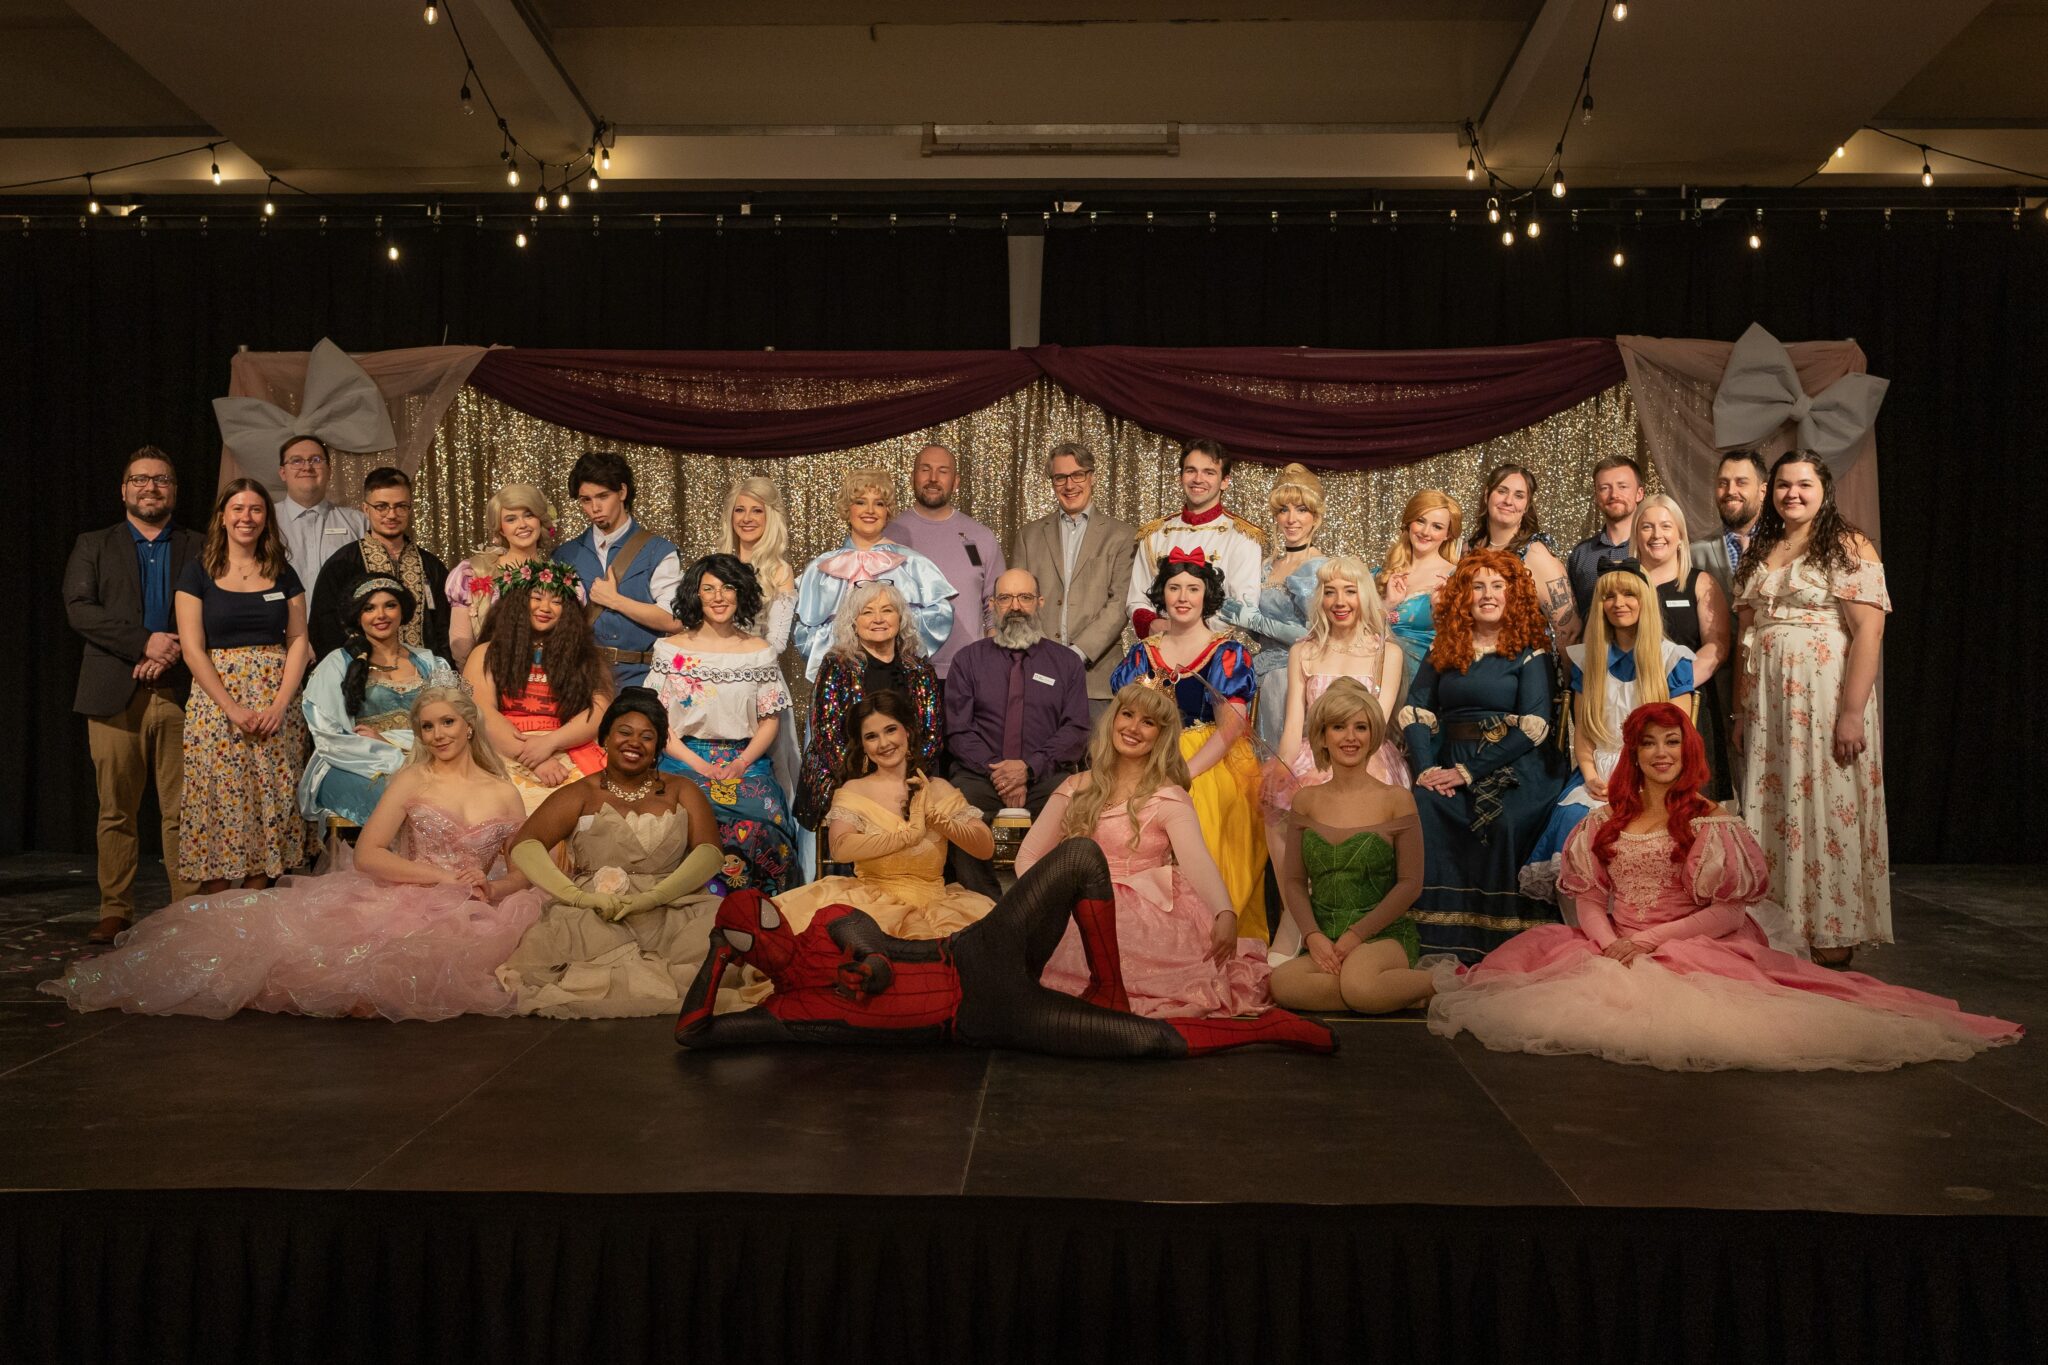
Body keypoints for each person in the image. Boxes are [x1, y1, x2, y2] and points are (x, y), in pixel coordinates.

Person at [1428, 705, 2020, 1070]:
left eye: (1671, 742)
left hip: (1690, 943)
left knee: (1717, 1025)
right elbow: (1586, 895)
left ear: (1687, 749)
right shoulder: (1604, 819)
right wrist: (1610, 943)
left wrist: (1653, 940)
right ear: (1632, 753)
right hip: (1614, 943)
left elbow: (1726, 914)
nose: (1661, 753)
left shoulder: (1712, 819)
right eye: (1649, 743)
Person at [42, 684, 546, 1021]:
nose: (438, 736)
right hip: (411, 894)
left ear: (469, 725)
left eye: (446, 724)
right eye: (428, 728)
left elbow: (527, 864)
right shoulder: (413, 778)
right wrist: (441, 882)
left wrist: (494, 886)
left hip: (475, 907)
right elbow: (369, 854)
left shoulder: (503, 792)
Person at [678, 842, 1336, 1058]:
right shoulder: (784, 1014)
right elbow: (695, 1034)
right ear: (743, 954)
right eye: (746, 938)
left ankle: (1110, 984)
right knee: (1144, 1045)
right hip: (984, 1020)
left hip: (971, 955)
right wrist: (715, 957)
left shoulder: (828, 923)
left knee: (1079, 855)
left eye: (764, 915)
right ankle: (1263, 1028)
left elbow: (875, 948)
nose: (767, 932)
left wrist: (869, 972)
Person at [1019, 678, 1271, 1018]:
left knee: (1165, 990)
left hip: (1153, 913)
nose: (1134, 728)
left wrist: (1224, 912)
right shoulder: (1075, 787)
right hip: (1081, 909)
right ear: (1113, 719)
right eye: (1128, 714)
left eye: (1148, 722)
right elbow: (1028, 857)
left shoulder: (1168, 797)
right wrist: (1046, 903)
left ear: (1161, 736)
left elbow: (1197, 862)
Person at [1734, 452, 1891, 968]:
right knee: (1774, 806)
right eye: (1782, 485)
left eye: (1803, 484)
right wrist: (1740, 708)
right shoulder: (1763, 547)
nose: (1791, 494)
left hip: (1823, 698)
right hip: (1769, 705)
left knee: (1825, 805)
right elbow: (1745, 634)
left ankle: (1831, 930)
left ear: (1824, 488)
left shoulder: (1847, 544)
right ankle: (1778, 926)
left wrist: (1851, 713)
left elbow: (1869, 630)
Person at [493, 689, 731, 1019]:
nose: (635, 743)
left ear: (658, 747)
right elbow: (524, 845)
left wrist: (654, 896)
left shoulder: (681, 789)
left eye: (647, 737)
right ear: (605, 738)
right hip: (597, 913)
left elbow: (710, 853)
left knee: (717, 958)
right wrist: (575, 897)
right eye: (624, 732)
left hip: (673, 910)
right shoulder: (580, 793)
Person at [63, 447, 205, 943]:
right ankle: (115, 909)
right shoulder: (93, 544)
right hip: (111, 692)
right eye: (140, 480)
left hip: (181, 692)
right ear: (123, 490)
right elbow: (80, 609)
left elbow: (214, 613)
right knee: (115, 809)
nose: (150, 487)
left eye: (161, 480)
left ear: (174, 490)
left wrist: (169, 652)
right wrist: (143, 642)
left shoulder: (201, 546)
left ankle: (187, 906)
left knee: (183, 808)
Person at [1397, 548, 1562, 962]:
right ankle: (1435, 941)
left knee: (1506, 820)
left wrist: (1468, 772)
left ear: (1514, 594)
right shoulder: (1445, 647)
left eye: (1497, 586)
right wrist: (1426, 768)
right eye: (1477, 586)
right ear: (1464, 595)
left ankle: (1501, 945)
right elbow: (1416, 709)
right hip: (1448, 758)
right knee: (1424, 806)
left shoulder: (1530, 650)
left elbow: (1534, 726)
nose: (1488, 594)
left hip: (1514, 765)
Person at [1111, 551, 1266, 939]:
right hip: (1148, 757)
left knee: (1208, 840)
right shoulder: (1142, 654)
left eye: (1193, 589)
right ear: (1161, 594)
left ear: (1206, 596)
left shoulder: (1226, 652)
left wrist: (1183, 774)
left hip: (1209, 763)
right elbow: (1126, 721)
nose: (1182, 596)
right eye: (1174, 587)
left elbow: (1231, 729)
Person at [175, 477, 315, 892]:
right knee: (219, 795)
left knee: (272, 792)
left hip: (277, 701)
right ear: (223, 516)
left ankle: (259, 888)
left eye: (256, 509)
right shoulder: (197, 571)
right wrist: (233, 708)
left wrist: (279, 704)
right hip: (217, 703)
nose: (246, 517)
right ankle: (216, 895)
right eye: (238, 509)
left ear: (266, 519)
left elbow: (298, 639)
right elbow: (192, 649)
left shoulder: (281, 571)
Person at [773, 691, 998, 940]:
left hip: (936, 909)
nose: (883, 743)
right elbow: (841, 847)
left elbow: (984, 846)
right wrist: (908, 837)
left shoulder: (938, 788)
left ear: (908, 731)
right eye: (871, 736)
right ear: (863, 745)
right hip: (869, 905)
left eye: (891, 730)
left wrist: (936, 818)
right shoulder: (854, 789)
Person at [1268, 681, 1435, 1015]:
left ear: (1373, 735)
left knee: (1359, 985)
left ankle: (1438, 984)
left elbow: (1410, 885)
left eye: (1361, 727)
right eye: (1339, 726)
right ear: (1323, 735)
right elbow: (1294, 882)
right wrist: (1312, 936)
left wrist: (1356, 936)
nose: (1350, 737)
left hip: (1383, 934)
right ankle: (1384, 994)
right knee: (1281, 983)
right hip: (1325, 934)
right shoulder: (1306, 800)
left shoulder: (1396, 800)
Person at [647, 554, 797, 896]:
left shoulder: (759, 652)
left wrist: (741, 763)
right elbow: (659, 725)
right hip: (683, 758)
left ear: (740, 593)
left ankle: (763, 914)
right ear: (695, 595)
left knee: (765, 820)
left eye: (727, 587)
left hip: (747, 761)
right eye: (709, 588)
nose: (718, 597)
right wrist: (699, 765)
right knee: (683, 817)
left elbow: (769, 722)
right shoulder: (670, 651)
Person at [1529, 561, 1696, 863]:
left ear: (1644, 599)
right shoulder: (1587, 661)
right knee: (1574, 821)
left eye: (1629, 595)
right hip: (1600, 774)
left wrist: (1647, 782)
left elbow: (1678, 742)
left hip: (1654, 776)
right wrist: (1591, 777)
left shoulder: (1671, 660)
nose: (1619, 604)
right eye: (1609, 596)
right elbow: (1584, 734)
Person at [942, 568, 1091, 899]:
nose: (1016, 607)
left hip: (1046, 775)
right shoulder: (967, 660)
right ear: (993, 604)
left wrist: (1028, 769)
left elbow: (1076, 729)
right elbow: (959, 731)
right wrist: (1000, 772)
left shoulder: (1066, 663)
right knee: (957, 808)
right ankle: (984, 906)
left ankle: (1042, 903)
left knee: (1073, 804)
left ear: (1040, 603)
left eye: (1024, 597)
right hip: (981, 776)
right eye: (1006, 598)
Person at [461, 558, 611, 812]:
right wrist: (532, 758)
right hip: (505, 747)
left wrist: (550, 744)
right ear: (519, 603)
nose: (546, 608)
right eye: (537, 598)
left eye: (556, 602)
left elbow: (598, 711)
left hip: (565, 744)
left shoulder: (583, 656)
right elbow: (481, 711)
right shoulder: (486, 653)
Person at [794, 581, 944, 831]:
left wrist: (903, 776)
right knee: (861, 807)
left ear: (900, 618)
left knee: (926, 806)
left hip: (906, 774)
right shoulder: (837, 665)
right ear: (854, 621)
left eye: (887, 610)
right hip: (843, 773)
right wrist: (864, 779)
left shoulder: (921, 670)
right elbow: (827, 733)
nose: (878, 619)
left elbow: (931, 735)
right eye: (867, 612)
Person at [298, 575, 446, 825]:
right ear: (358, 615)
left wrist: (399, 747)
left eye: (390, 605)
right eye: (369, 608)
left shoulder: (429, 663)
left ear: (402, 610)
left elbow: (453, 720)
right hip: (351, 762)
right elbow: (329, 737)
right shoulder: (337, 664)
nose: (381, 615)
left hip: (425, 759)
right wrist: (389, 753)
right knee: (400, 798)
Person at [793, 466, 955, 683]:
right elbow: (804, 633)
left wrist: (889, 635)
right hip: (840, 682)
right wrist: (848, 644)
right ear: (846, 509)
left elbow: (939, 618)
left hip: (896, 677)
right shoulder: (822, 568)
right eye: (860, 502)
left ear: (887, 511)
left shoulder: (912, 563)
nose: (870, 510)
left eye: (879, 503)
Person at [1012, 440, 1136, 722]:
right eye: (1060, 477)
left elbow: (1120, 604)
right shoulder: (1028, 536)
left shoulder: (1122, 536)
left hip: (1098, 679)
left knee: (1098, 762)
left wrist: (1077, 654)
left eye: (1077, 475)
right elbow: (1018, 601)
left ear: (1091, 477)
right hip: (1038, 673)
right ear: (1052, 482)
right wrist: (1044, 652)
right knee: (1042, 763)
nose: (1070, 485)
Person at [1271, 555, 1408, 796]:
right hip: (1316, 753)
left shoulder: (1387, 654)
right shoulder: (1302, 652)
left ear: (1364, 596)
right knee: (1280, 798)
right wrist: (1281, 770)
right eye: (1330, 592)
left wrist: (1329, 775)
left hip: (1367, 756)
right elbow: (1293, 729)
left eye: (1350, 591)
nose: (1339, 602)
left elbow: (1375, 728)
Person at [1215, 462, 1328, 754]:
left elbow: (1314, 634)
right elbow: (1259, 632)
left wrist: (1255, 620)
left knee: (1284, 758)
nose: (1291, 519)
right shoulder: (1267, 566)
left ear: (1315, 517)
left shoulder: (1318, 567)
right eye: (1283, 510)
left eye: (1301, 509)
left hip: (1294, 675)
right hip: (1261, 672)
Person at [1633, 494, 1731, 798]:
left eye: (1665, 526)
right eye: (1647, 527)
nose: (1657, 535)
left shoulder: (1700, 583)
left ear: (1679, 535)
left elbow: (1717, 646)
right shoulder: (1623, 584)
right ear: (1636, 535)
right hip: (1633, 702)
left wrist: (1674, 686)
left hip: (1689, 706)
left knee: (1692, 805)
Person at [557, 451, 682, 688]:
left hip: (643, 678)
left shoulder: (659, 551)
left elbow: (674, 620)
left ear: (622, 492)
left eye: (603, 496)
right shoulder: (565, 555)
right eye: (586, 500)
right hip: (582, 676)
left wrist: (615, 600)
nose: (595, 507)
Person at [884, 443, 1005, 681]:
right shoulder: (888, 536)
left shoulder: (980, 537)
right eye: (925, 469)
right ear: (912, 477)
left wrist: (991, 658)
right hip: (902, 672)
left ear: (956, 481)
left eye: (943, 471)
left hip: (969, 673)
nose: (933, 478)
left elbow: (996, 605)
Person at [1689, 449, 1768, 804]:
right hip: (1719, 693)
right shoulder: (1695, 552)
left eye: (1740, 482)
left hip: (1776, 680)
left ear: (1763, 490)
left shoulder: (1787, 546)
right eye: (1722, 483)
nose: (1730, 490)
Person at [308, 466, 449, 661]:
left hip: (424, 677)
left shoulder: (431, 566)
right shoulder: (342, 564)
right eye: (381, 506)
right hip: (362, 677)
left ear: (410, 508)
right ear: (366, 509)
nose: (391, 515)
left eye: (400, 506)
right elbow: (324, 629)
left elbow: (444, 627)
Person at [1126, 439, 1263, 638]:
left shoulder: (1242, 536)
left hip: (1213, 650)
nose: (1198, 479)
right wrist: (1155, 624)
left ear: (1225, 481)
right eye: (1191, 470)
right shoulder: (1154, 534)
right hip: (1160, 647)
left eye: (1209, 472)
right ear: (1180, 477)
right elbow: (1136, 599)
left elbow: (1242, 605)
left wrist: (1191, 634)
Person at [446, 482, 572, 666]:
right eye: (511, 519)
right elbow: (461, 647)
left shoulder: (560, 579)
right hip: (486, 676)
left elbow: (569, 643)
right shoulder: (474, 572)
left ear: (541, 520)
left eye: (528, 515)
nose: (522, 525)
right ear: (500, 529)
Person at [1467, 461, 1577, 647]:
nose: (1508, 501)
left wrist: (1568, 675)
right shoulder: (1469, 550)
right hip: (1475, 666)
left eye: (1519, 495)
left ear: (1526, 506)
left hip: (1527, 667)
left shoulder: (1535, 553)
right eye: (1502, 491)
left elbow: (1569, 630)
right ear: (1487, 495)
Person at [1374, 489, 1462, 695]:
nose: (1425, 531)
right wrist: (1386, 605)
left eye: (1437, 526)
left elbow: (1463, 639)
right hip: (1376, 682)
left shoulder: (1455, 577)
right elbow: (1357, 631)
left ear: (1448, 534)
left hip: (1424, 686)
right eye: (1420, 521)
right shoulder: (1380, 574)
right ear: (1409, 522)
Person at [272, 435, 367, 622]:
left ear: (329, 471)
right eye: (296, 461)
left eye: (316, 460)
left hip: (343, 639)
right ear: (282, 473)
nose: (307, 467)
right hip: (279, 636)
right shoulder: (265, 522)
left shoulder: (358, 523)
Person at [718, 476, 798, 654]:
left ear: (770, 517)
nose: (747, 518)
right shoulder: (716, 567)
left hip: (755, 670)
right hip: (712, 668)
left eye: (757, 511)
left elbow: (776, 643)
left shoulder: (780, 571)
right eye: (740, 510)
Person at [1566, 455, 1647, 620]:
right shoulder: (1580, 555)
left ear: (1639, 493)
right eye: (1604, 488)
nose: (1614, 494)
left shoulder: (1653, 548)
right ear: (1596, 496)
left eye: (1622, 486)